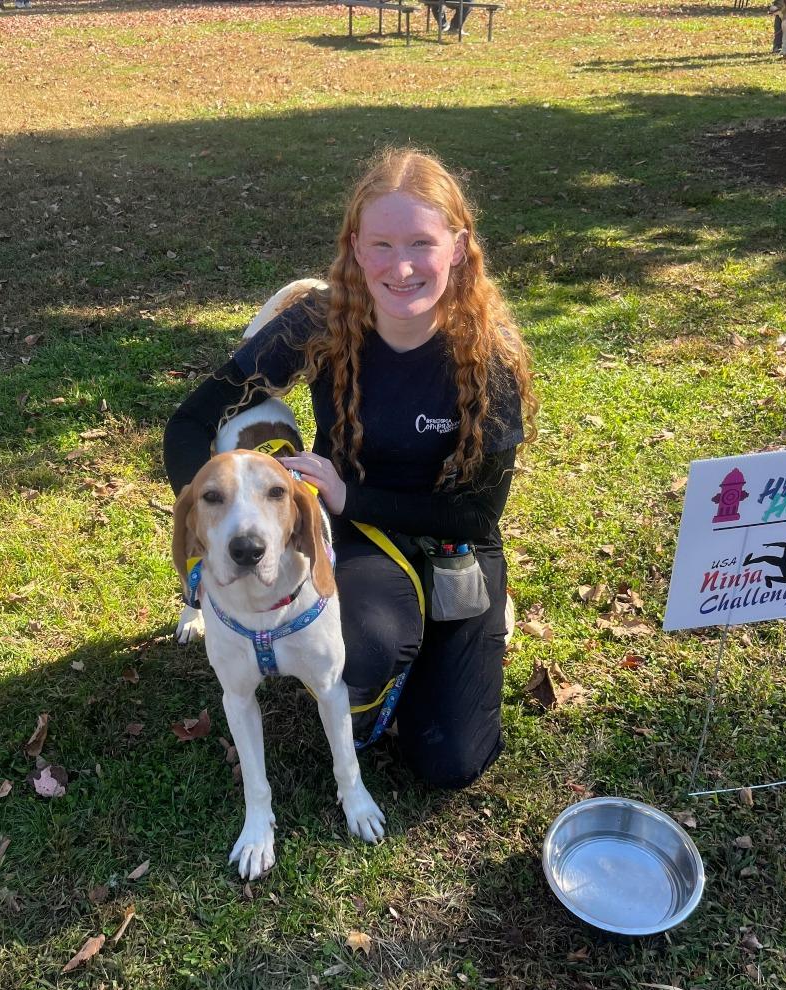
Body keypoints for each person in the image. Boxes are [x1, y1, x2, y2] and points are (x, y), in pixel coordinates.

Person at [164, 148, 537, 790]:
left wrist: (348, 492)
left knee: (450, 761)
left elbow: (477, 513)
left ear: (458, 246)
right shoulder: (320, 322)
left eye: (422, 242)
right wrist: (211, 520)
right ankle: (396, 649)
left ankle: (446, 644)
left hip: (455, 543)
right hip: (358, 536)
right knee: (359, 659)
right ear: (356, 249)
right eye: (382, 244)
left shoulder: (491, 358)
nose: (402, 266)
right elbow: (191, 422)